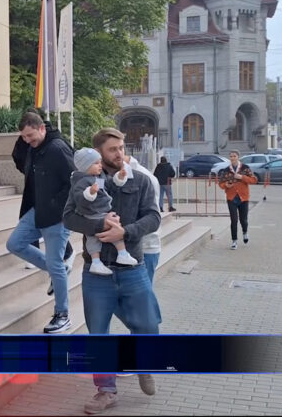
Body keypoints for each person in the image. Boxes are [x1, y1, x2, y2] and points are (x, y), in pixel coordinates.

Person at [62, 128, 161, 413]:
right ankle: (105, 391)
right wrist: (99, 226)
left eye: (121, 148)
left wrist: (125, 232)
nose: (119, 154)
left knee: (147, 324)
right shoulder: (83, 182)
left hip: (133, 267)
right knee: (98, 334)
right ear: (99, 153)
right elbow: (68, 218)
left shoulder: (140, 180)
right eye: (112, 149)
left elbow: (153, 217)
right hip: (97, 271)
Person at [6, 111, 74, 334]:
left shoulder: (57, 148)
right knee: (14, 244)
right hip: (36, 210)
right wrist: (24, 142)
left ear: (42, 128)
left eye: (30, 136)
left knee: (55, 264)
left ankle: (62, 315)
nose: (27, 140)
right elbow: (21, 162)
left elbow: (75, 180)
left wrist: (57, 206)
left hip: (57, 215)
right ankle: (59, 270)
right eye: (24, 137)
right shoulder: (32, 148)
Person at [70, 147, 138, 275]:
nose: (100, 165)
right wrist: (90, 193)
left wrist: (119, 177)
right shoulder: (81, 181)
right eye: (96, 163)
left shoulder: (97, 177)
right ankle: (102, 260)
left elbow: (109, 185)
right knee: (98, 235)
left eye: (100, 162)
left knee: (108, 231)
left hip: (101, 211)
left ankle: (119, 255)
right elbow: (79, 198)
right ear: (85, 166)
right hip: (92, 213)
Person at [125, 154, 163, 283]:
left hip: (145, 248)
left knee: (139, 294)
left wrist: (124, 232)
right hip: (121, 250)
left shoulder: (145, 177)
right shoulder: (108, 175)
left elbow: (152, 217)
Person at [218, 150, 258, 250]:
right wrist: (226, 185)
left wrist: (242, 177)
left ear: (238, 157)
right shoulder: (226, 170)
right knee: (234, 220)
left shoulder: (245, 168)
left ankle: (245, 232)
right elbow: (220, 183)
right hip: (231, 198)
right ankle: (234, 241)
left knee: (243, 219)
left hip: (243, 197)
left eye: (234, 156)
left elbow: (254, 180)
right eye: (231, 156)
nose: (232, 158)